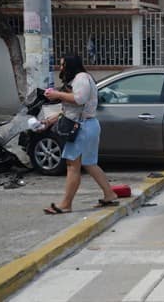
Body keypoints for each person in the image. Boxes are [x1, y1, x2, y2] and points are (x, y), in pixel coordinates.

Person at [41, 54, 118, 214]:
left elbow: (79, 99)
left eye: (63, 65)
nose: (61, 68)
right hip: (87, 125)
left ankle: (66, 204)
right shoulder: (81, 78)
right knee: (89, 163)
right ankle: (109, 194)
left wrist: (57, 94)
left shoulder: (81, 78)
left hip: (81, 128)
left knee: (72, 166)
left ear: (71, 65)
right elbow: (73, 108)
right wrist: (53, 119)